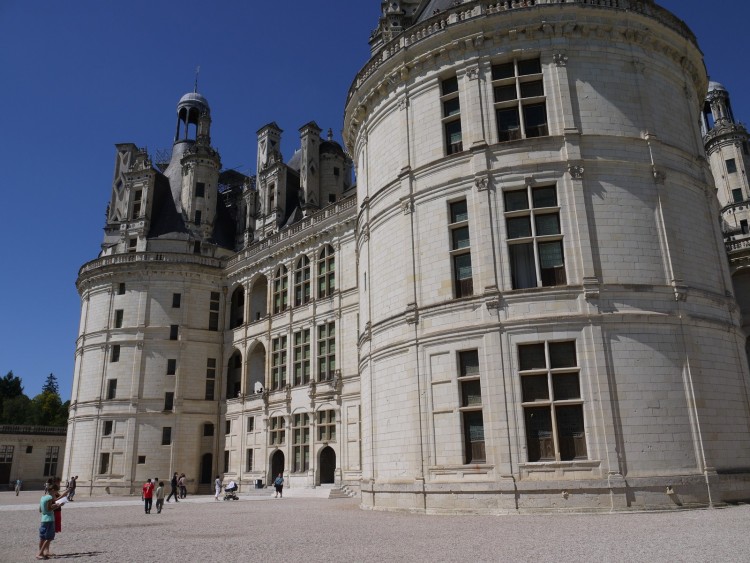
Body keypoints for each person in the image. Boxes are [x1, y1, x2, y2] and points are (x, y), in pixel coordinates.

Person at [37, 487, 56, 560]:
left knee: (42, 538)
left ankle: (42, 552)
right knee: (49, 538)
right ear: (53, 490)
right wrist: (57, 506)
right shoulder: (50, 497)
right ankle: (39, 554)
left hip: (43, 519)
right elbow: (49, 509)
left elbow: (40, 510)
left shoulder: (42, 497)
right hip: (49, 519)